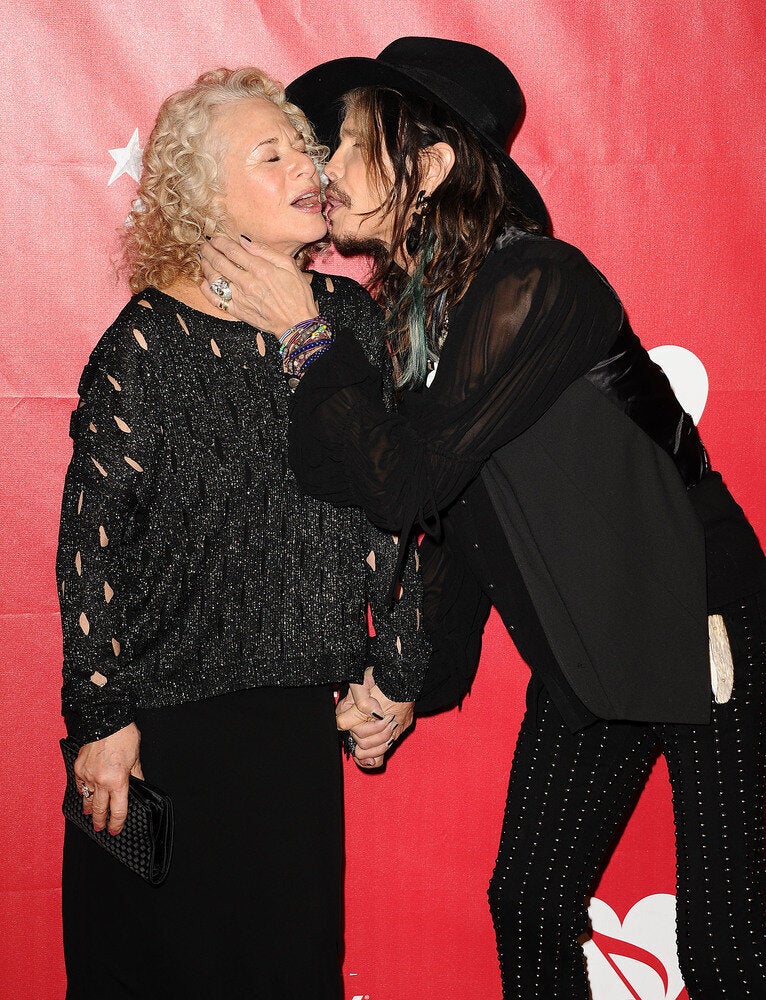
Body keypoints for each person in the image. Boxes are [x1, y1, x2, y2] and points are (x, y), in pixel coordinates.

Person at [198, 38, 766, 1000]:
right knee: (532, 905)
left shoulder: (535, 281)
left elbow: (404, 480)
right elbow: (459, 520)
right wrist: (411, 678)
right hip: (590, 636)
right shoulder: (428, 309)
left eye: (348, 143)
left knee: (730, 943)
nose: (326, 168)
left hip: (706, 620)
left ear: (431, 161)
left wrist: (305, 332)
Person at [56, 66, 428, 1000]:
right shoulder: (144, 346)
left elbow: (397, 507)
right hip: (162, 734)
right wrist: (99, 721)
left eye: (307, 147)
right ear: (201, 194)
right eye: (274, 154)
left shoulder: (346, 318)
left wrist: (402, 665)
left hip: (291, 735)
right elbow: (93, 549)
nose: (310, 167)